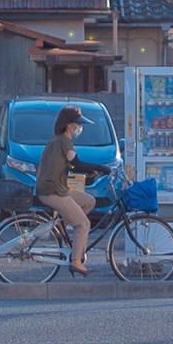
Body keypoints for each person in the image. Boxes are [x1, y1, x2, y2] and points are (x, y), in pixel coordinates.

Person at [36, 105, 97, 277]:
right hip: (53, 191)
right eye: (77, 124)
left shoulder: (57, 140)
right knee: (83, 224)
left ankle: (64, 223)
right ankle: (76, 262)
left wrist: (90, 171)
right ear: (69, 124)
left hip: (57, 188)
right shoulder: (64, 140)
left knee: (89, 201)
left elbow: (70, 165)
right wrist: (102, 168)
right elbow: (76, 162)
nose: (79, 127)